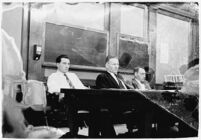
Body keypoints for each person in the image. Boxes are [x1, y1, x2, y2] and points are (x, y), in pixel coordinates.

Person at [95, 56, 131, 137]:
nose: (116, 66)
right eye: (114, 64)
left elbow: (128, 89)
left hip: (128, 104)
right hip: (115, 107)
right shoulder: (103, 76)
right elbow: (105, 94)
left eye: (117, 64)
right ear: (107, 65)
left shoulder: (120, 77)